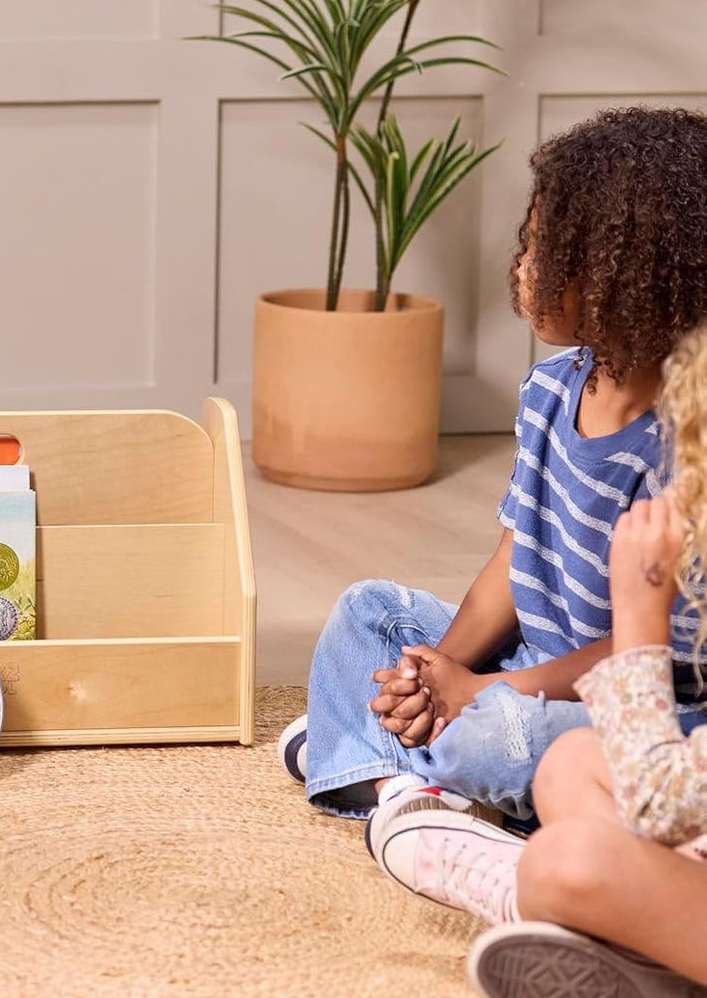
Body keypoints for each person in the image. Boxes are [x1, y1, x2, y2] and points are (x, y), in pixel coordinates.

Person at [279, 107, 707, 850]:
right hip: (525, 665)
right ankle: (403, 783)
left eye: (547, 248)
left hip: (622, 705)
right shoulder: (548, 390)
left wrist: (478, 691)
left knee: (496, 736)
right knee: (367, 613)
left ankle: (375, 760)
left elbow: (650, 655)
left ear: (621, 276)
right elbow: (516, 560)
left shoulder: (684, 446)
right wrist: (436, 670)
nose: (522, 264)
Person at [376, 327, 707, 998]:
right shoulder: (551, 388)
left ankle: (486, 872)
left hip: (640, 751)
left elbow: (660, 796)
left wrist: (641, 614)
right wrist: (445, 676)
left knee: (566, 859)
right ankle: (665, 989)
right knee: (565, 766)